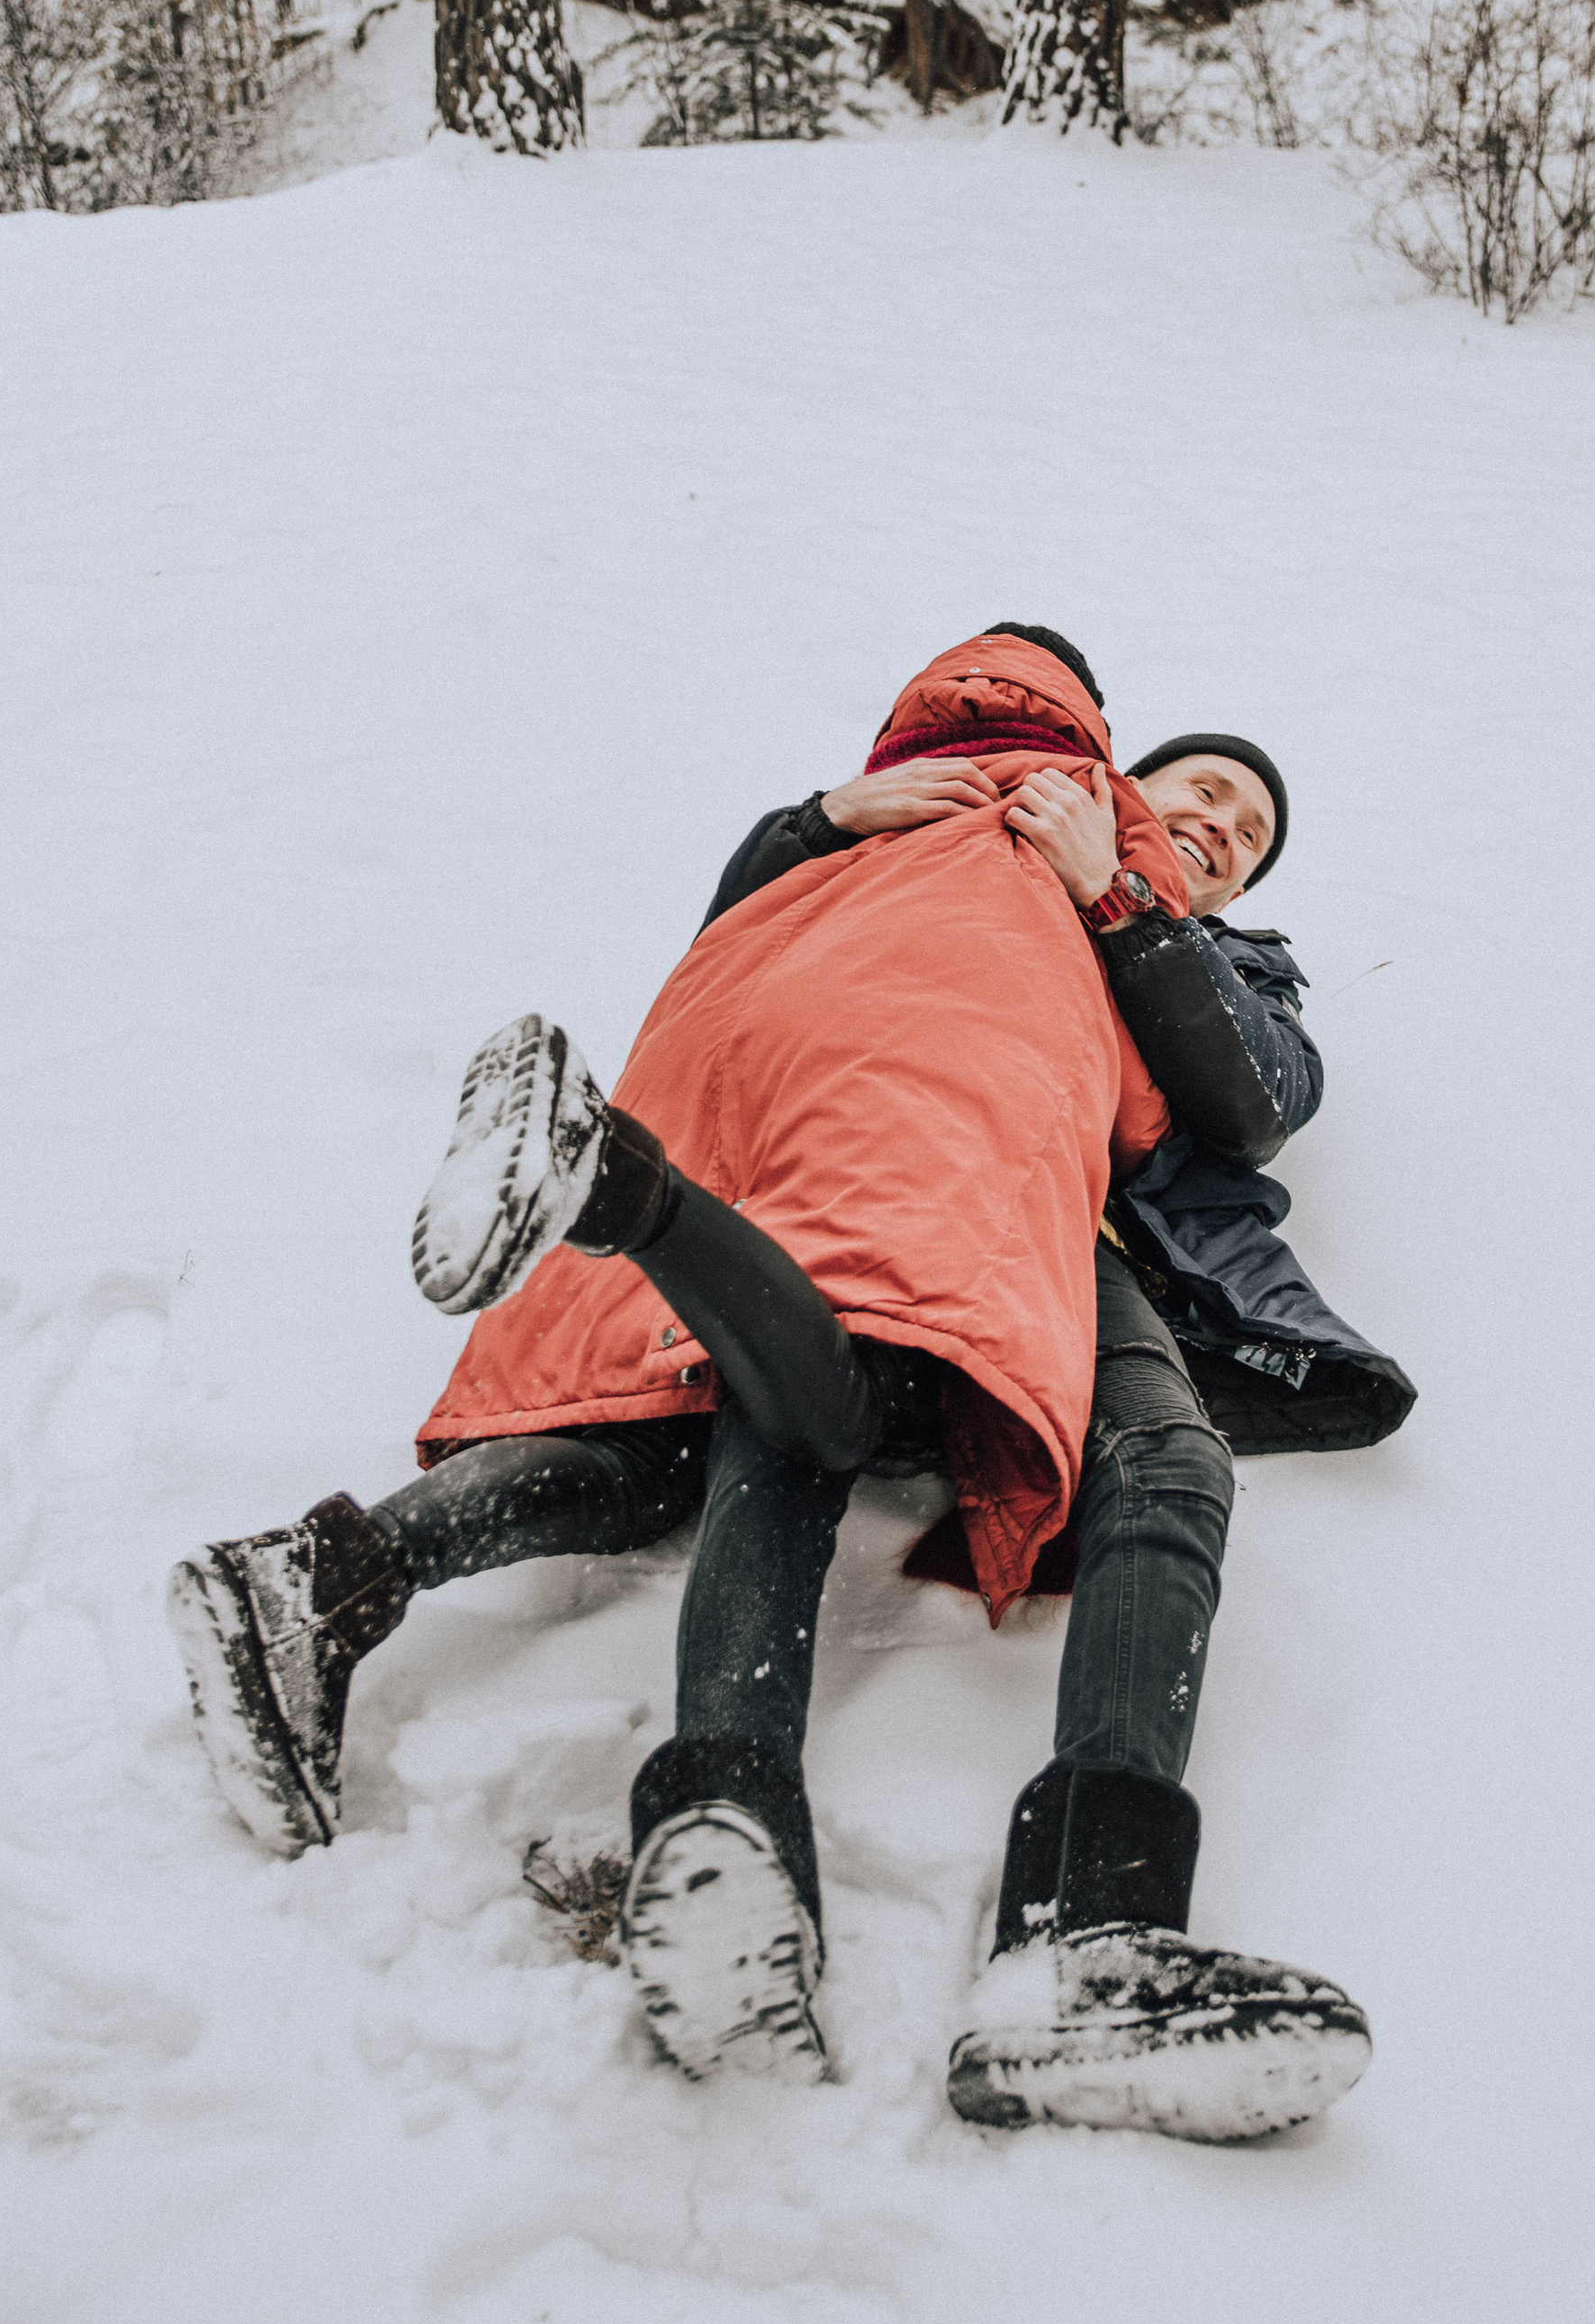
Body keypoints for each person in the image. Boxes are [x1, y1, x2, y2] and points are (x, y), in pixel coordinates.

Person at [168, 627, 1412, 2142]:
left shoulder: (1111, 896)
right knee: (812, 1411)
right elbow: (1205, 1093)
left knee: (725, 1424)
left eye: (1250, 838)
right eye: (1206, 791)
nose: (1224, 825)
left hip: (907, 1177)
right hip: (949, 1163)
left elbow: (1247, 1094)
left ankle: (349, 1576)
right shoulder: (1021, 829)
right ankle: (1035, 1921)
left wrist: (1056, 874)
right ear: (1126, 772)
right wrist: (898, 832)